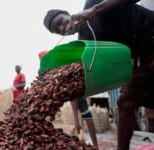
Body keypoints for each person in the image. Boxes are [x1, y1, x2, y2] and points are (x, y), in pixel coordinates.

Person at [43, 1, 154, 149]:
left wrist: (94, 10)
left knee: (127, 100)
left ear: (67, 13)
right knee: (126, 101)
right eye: (59, 30)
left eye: (61, 22)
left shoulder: (93, 4)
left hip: (151, 34)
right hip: (142, 58)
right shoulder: (85, 41)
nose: (63, 27)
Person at [38, 49, 98, 148]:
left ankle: (95, 145)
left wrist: (76, 120)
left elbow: (72, 97)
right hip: (68, 90)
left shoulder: (60, 69)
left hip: (77, 88)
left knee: (85, 113)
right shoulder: (44, 71)